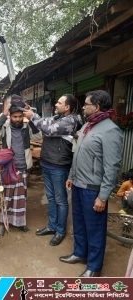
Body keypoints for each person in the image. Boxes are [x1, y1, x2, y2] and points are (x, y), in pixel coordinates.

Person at [59, 90, 123, 277]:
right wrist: (71, 175)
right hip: (78, 184)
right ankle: (79, 253)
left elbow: (112, 167)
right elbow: (77, 153)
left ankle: (94, 267)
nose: (84, 106)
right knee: (79, 223)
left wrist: (103, 197)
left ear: (96, 107)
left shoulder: (110, 130)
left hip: (93, 189)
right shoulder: (87, 125)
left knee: (95, 229)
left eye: (87, 104)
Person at [24, 94, 81, 246]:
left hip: (59, 166)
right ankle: (51, 226)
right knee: (50, 197)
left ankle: (60, 231)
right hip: (48, 162)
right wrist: (34, 115)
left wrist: (33, 116)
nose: (56, 104)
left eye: (59, 102)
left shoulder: (72, 120)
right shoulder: (58, 117)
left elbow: (48, 128)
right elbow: (46, 122)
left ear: (67, 107)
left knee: (60, 200)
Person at [0, 94, 41, 235]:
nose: (17, 119)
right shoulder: (5, 127)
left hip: (23, 167)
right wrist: (3, 114)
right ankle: (2, 223)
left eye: (19, 116)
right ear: (10, 117)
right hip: (8, 167)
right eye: (14, 117)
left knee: (21, 198)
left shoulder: (26, 126)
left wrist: (31, 118)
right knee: (6, 196)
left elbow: (38, 136)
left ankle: (19, 222)